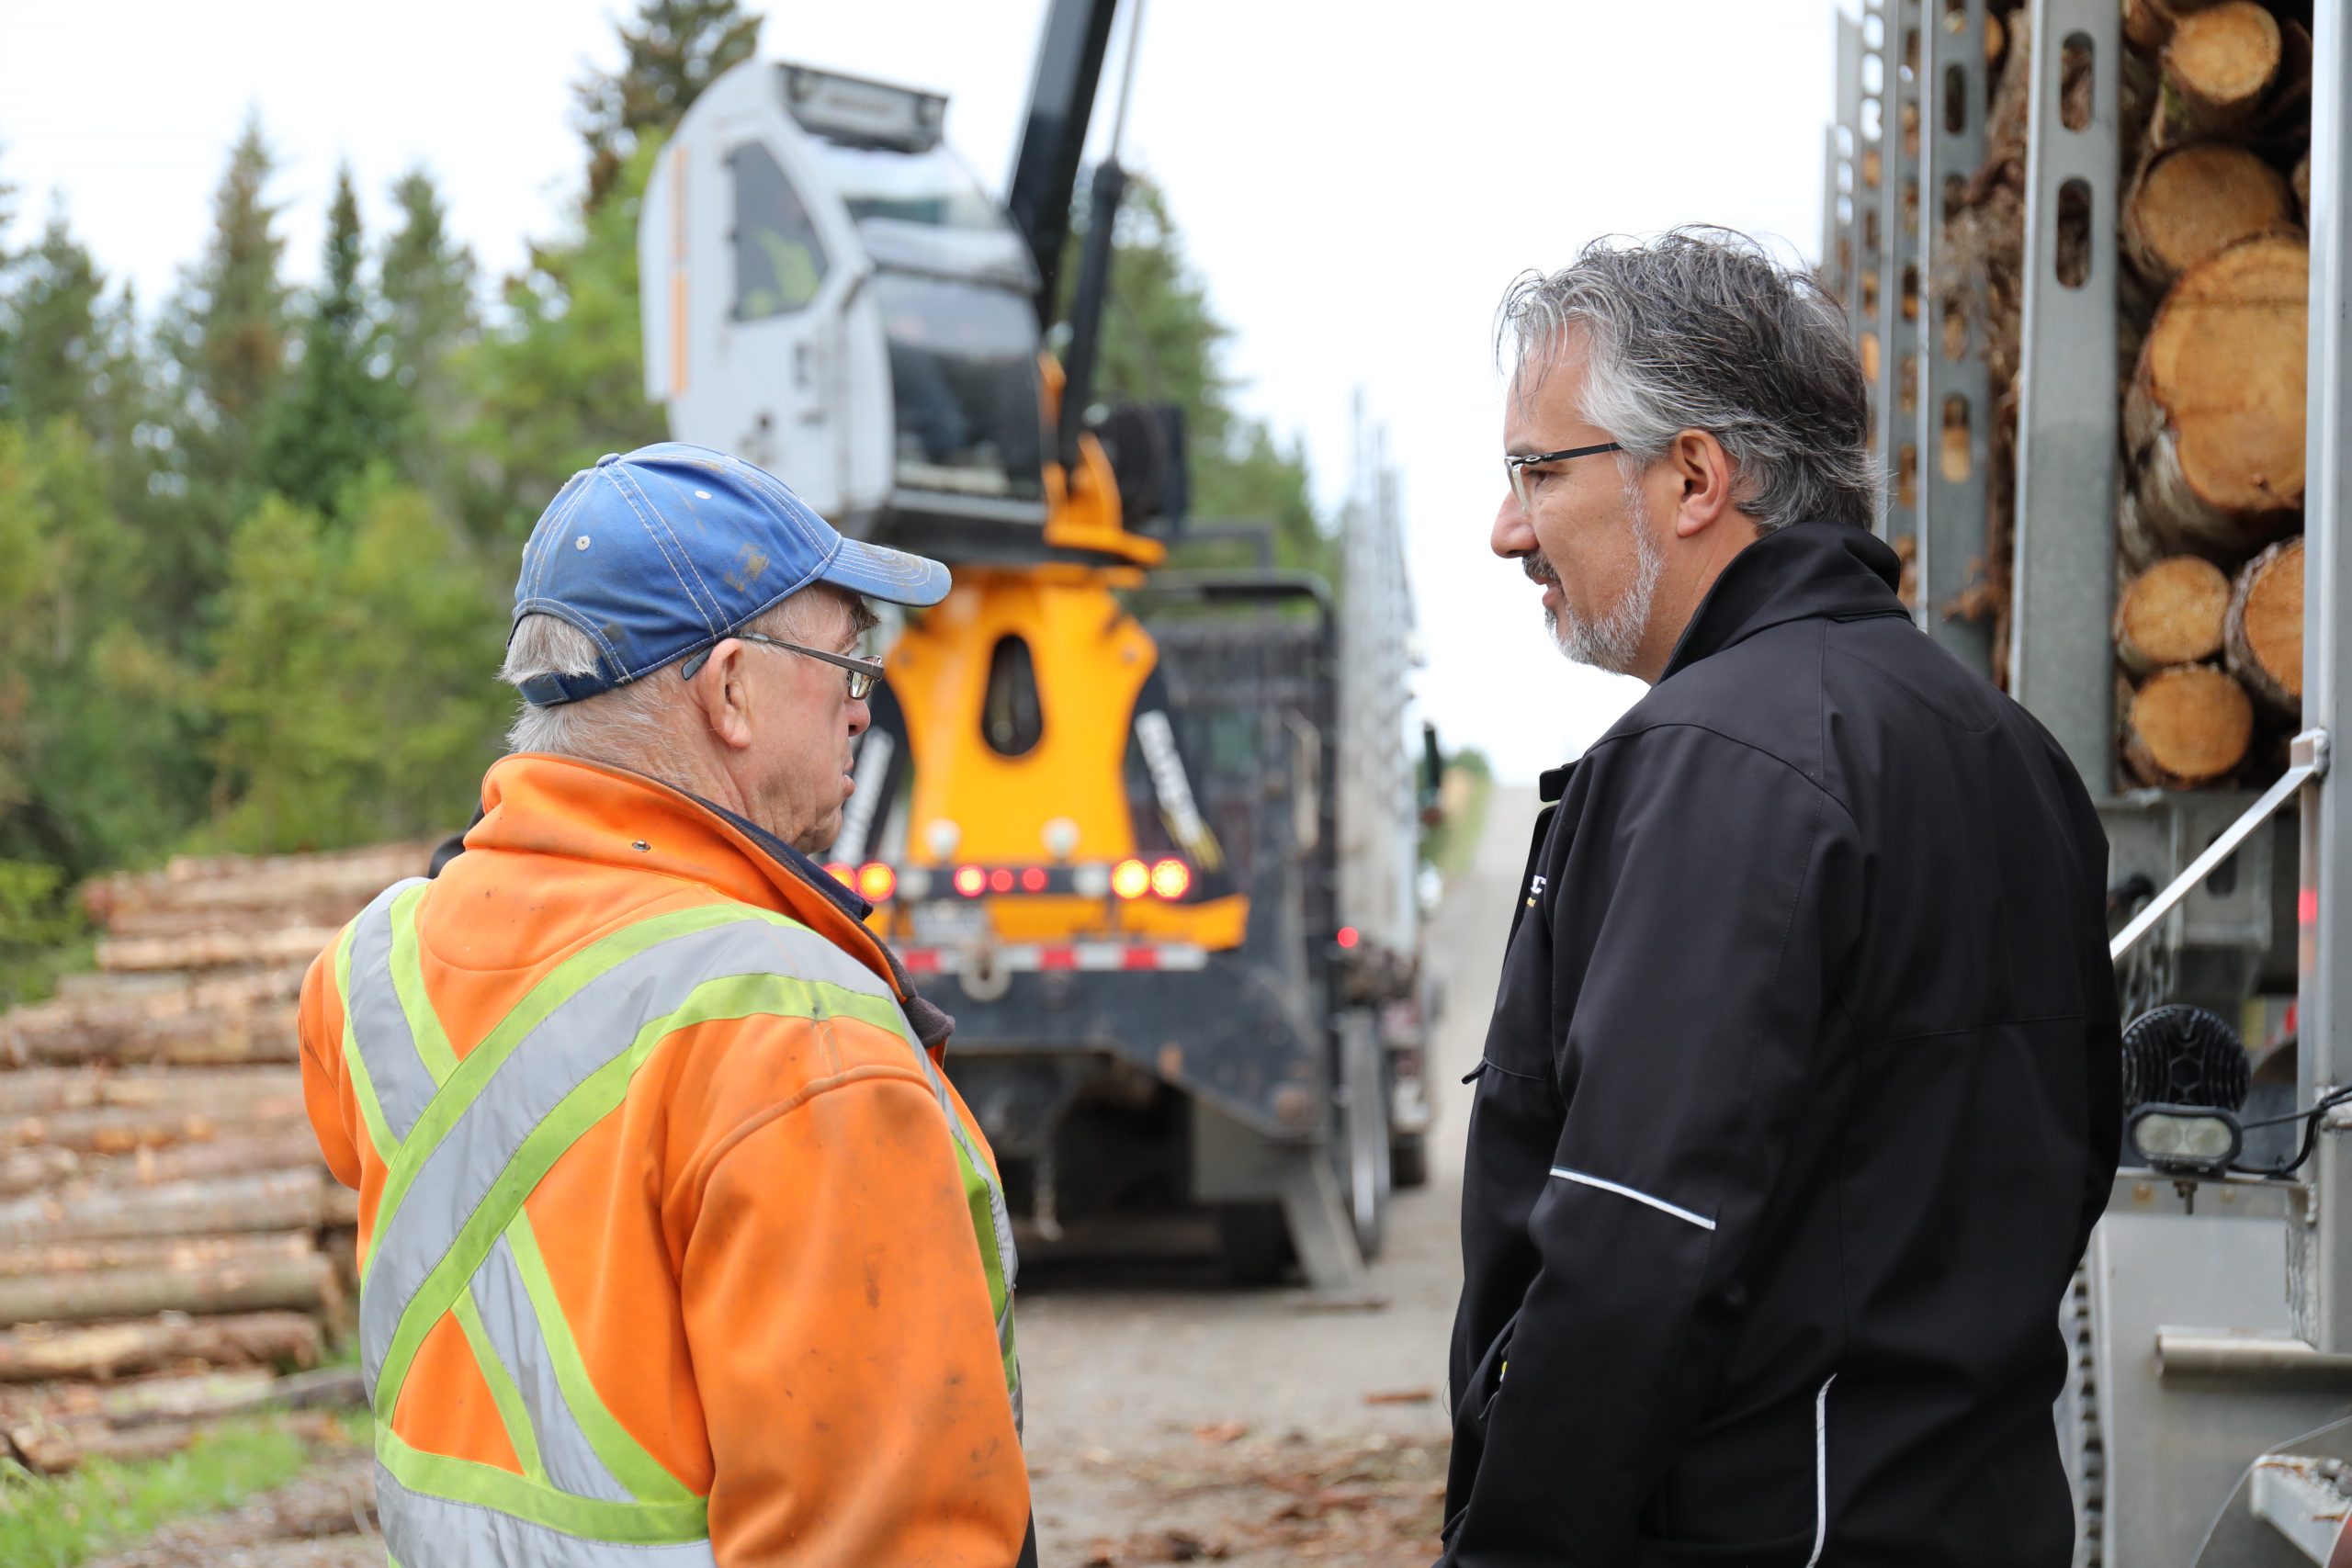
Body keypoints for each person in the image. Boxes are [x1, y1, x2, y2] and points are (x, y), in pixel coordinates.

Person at [1442, 230, 2119, 1567]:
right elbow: (2073, 1153)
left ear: (1694, 474)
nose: (1509, 526)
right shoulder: (2008, 750)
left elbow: (1639, 1240)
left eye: (1536, 469)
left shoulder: (1715, 761)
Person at [297, 443, 1035, 1567]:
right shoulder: (798, 1031)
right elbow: (883, 1539)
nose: (859, 709)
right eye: (847, 660)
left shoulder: (370, 972)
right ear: (731, 689)